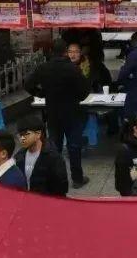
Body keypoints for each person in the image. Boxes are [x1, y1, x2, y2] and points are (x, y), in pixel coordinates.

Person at [24, 44, 92, 189]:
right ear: (65, 52)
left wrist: (41, 93)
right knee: (74, 146)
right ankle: (77, 178)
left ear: (51, 52)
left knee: (55, 147)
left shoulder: (43, 68)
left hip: (53, 113)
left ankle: (55, 178)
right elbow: (85, 90)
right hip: (72, 112)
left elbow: (27, 84)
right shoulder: (73, 69)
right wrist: (77, 97)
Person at [14, 115, 69, 197]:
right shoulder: (20, 156)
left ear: (38, 134)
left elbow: (61, 187)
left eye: (26, 134)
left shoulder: (53, 157)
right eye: (20, 135)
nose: (22, 138)